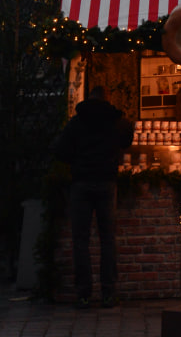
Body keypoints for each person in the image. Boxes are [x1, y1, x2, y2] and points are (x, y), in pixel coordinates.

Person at [53, 86, 134, 309]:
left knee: (81, 240)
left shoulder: (77, 123)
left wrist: (77, 161)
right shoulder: (115, 121)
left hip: (81, 183)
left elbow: (59, 150)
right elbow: (127, 138)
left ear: (88, 99)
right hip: (107, 182)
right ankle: (108, 292)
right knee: (107, 239)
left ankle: (84, 294)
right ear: (106, 99)